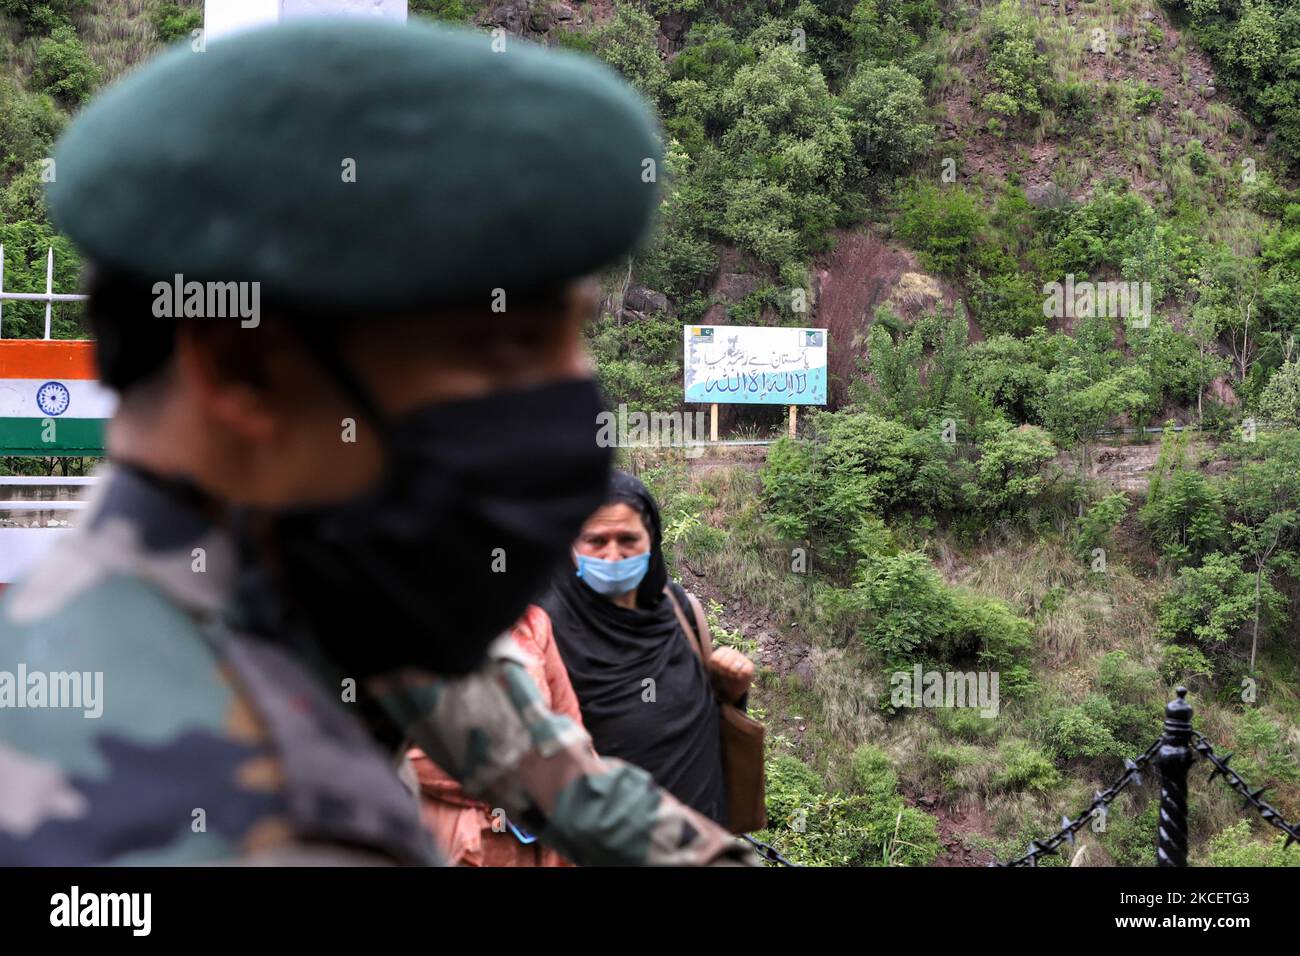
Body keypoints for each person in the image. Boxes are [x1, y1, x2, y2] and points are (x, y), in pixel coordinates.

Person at [0, 19, 756, 866]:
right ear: (246, 368)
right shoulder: (254, 825)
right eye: (500, 350)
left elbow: (552, 774)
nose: (570, 409)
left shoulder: (334, 603)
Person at [540, 470, 756, 828]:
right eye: (596, 540)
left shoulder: (679, 610)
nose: (612, 556)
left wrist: (731, 693)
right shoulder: (544, 631)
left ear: (651, 540)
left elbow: (705, 728)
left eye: (628, 539)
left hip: (706, 847)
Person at [408, 606, 585, 867]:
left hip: (542, 837)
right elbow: (408, 754)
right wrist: (517, 779)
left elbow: (569, 722)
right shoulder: (410, 629)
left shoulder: (531, 622)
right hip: (461, 838)